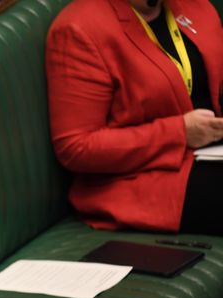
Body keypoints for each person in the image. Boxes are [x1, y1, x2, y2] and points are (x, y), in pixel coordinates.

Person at [46, 0, 223, 234]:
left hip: (209, 154)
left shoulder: (195, 6)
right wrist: (179, 132)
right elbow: (76, 147)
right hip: (141, 179)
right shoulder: (79, 28)